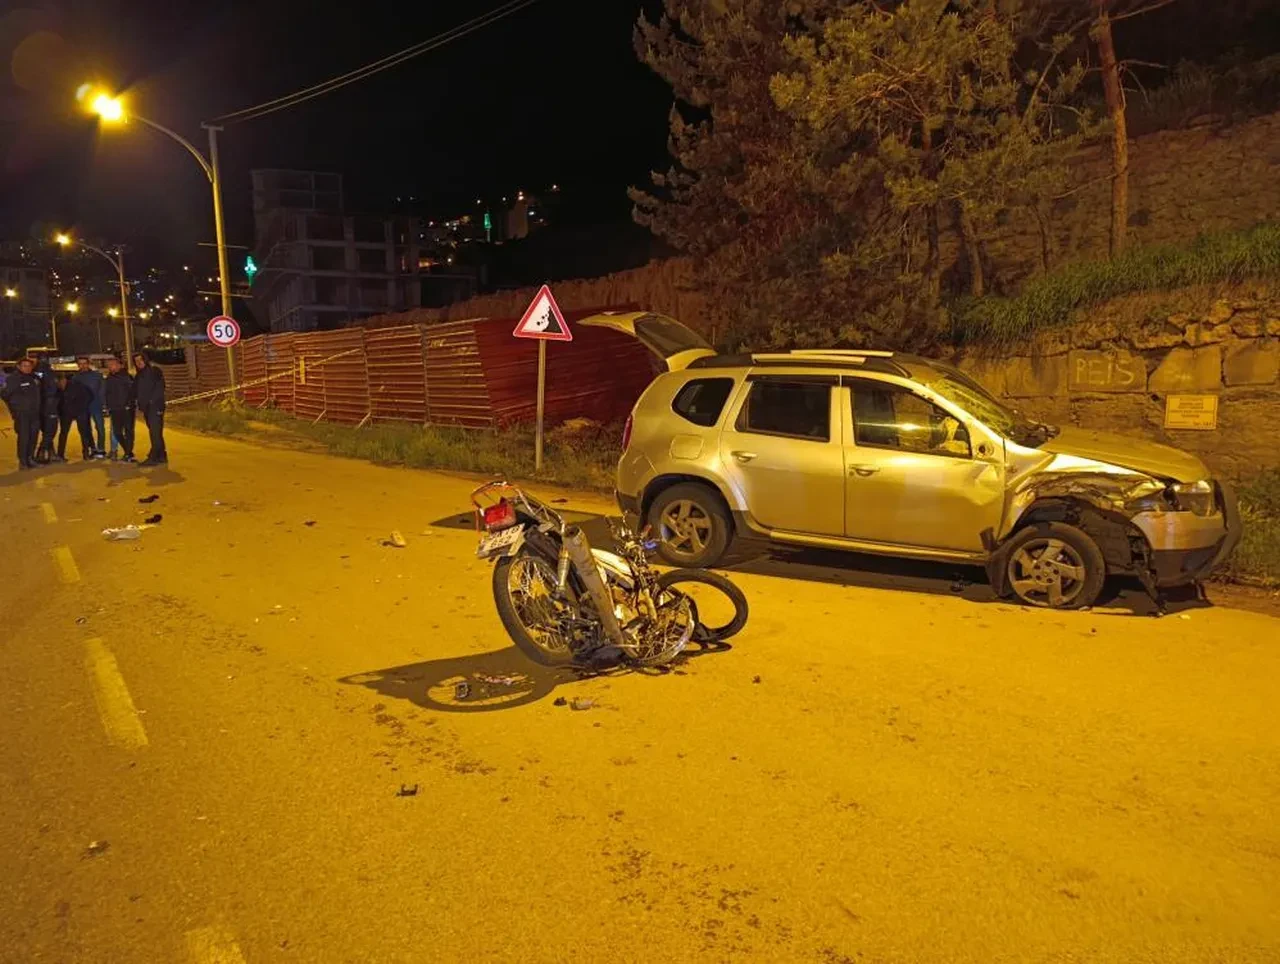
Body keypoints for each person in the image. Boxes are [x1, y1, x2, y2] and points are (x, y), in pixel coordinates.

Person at [2, 357, 42, 470]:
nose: (27, 368)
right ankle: (23, 461)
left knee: (33, 436)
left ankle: (30, 458)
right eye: (24, 366)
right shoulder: (13, 379)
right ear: (19, 367)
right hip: (22, 414)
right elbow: (5, 394)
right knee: (24, 437)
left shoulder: (34, 378)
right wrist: (15, 408)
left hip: (34, 413)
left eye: (29, 366)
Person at [133, 352, 167, 465]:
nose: (139, 363)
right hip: (146, 409)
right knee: (155, 432)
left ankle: (153, 457)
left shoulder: (154, 371)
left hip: (155, 407)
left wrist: (153, 401)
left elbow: (160, 387)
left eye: (140, 360)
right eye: (136, 361)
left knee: (155, 433)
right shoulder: (139, 376)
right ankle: (161, 455)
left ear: (145, 360)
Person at [72, 357, 107, 459]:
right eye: (80, 364)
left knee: (100, 428)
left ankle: (101, 449)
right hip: (83, 408)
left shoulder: (97, 375)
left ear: (88, 364)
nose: (82, 366)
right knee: (86, 430)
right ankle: (90, 449)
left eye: (84, 363)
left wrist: (103, 404)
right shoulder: (75, 378)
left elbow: (102, 390)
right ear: (78, 365)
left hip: (96, 406)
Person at [103, 356, 136, 463]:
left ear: (118, 365)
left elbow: (133, 392)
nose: (110, 367)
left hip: (127, 409)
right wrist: (107, 406)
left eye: (112, 365)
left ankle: (128, 453)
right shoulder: (109, 379)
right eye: (109, 366)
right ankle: (128, 452)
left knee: (128, 431)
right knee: (117, 432)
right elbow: (107, 394)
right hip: (115, 409)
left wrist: (129, 404)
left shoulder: (126, 377)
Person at [33, 352, 61, 463]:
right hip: (48, 403)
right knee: (51, 430)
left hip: (46, 403)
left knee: (47, 430)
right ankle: (41, 452)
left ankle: (51, 454)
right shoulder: (41, 371)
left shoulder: (41, 371)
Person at [61, 370, 95, 460]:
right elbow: (90, 396)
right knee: (84, 433)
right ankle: (86, 453)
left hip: (69, 412)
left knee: (64, 433)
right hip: (80, 411)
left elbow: (60, 400)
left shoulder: (64, 387)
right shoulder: (81, 385)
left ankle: (60, 454)